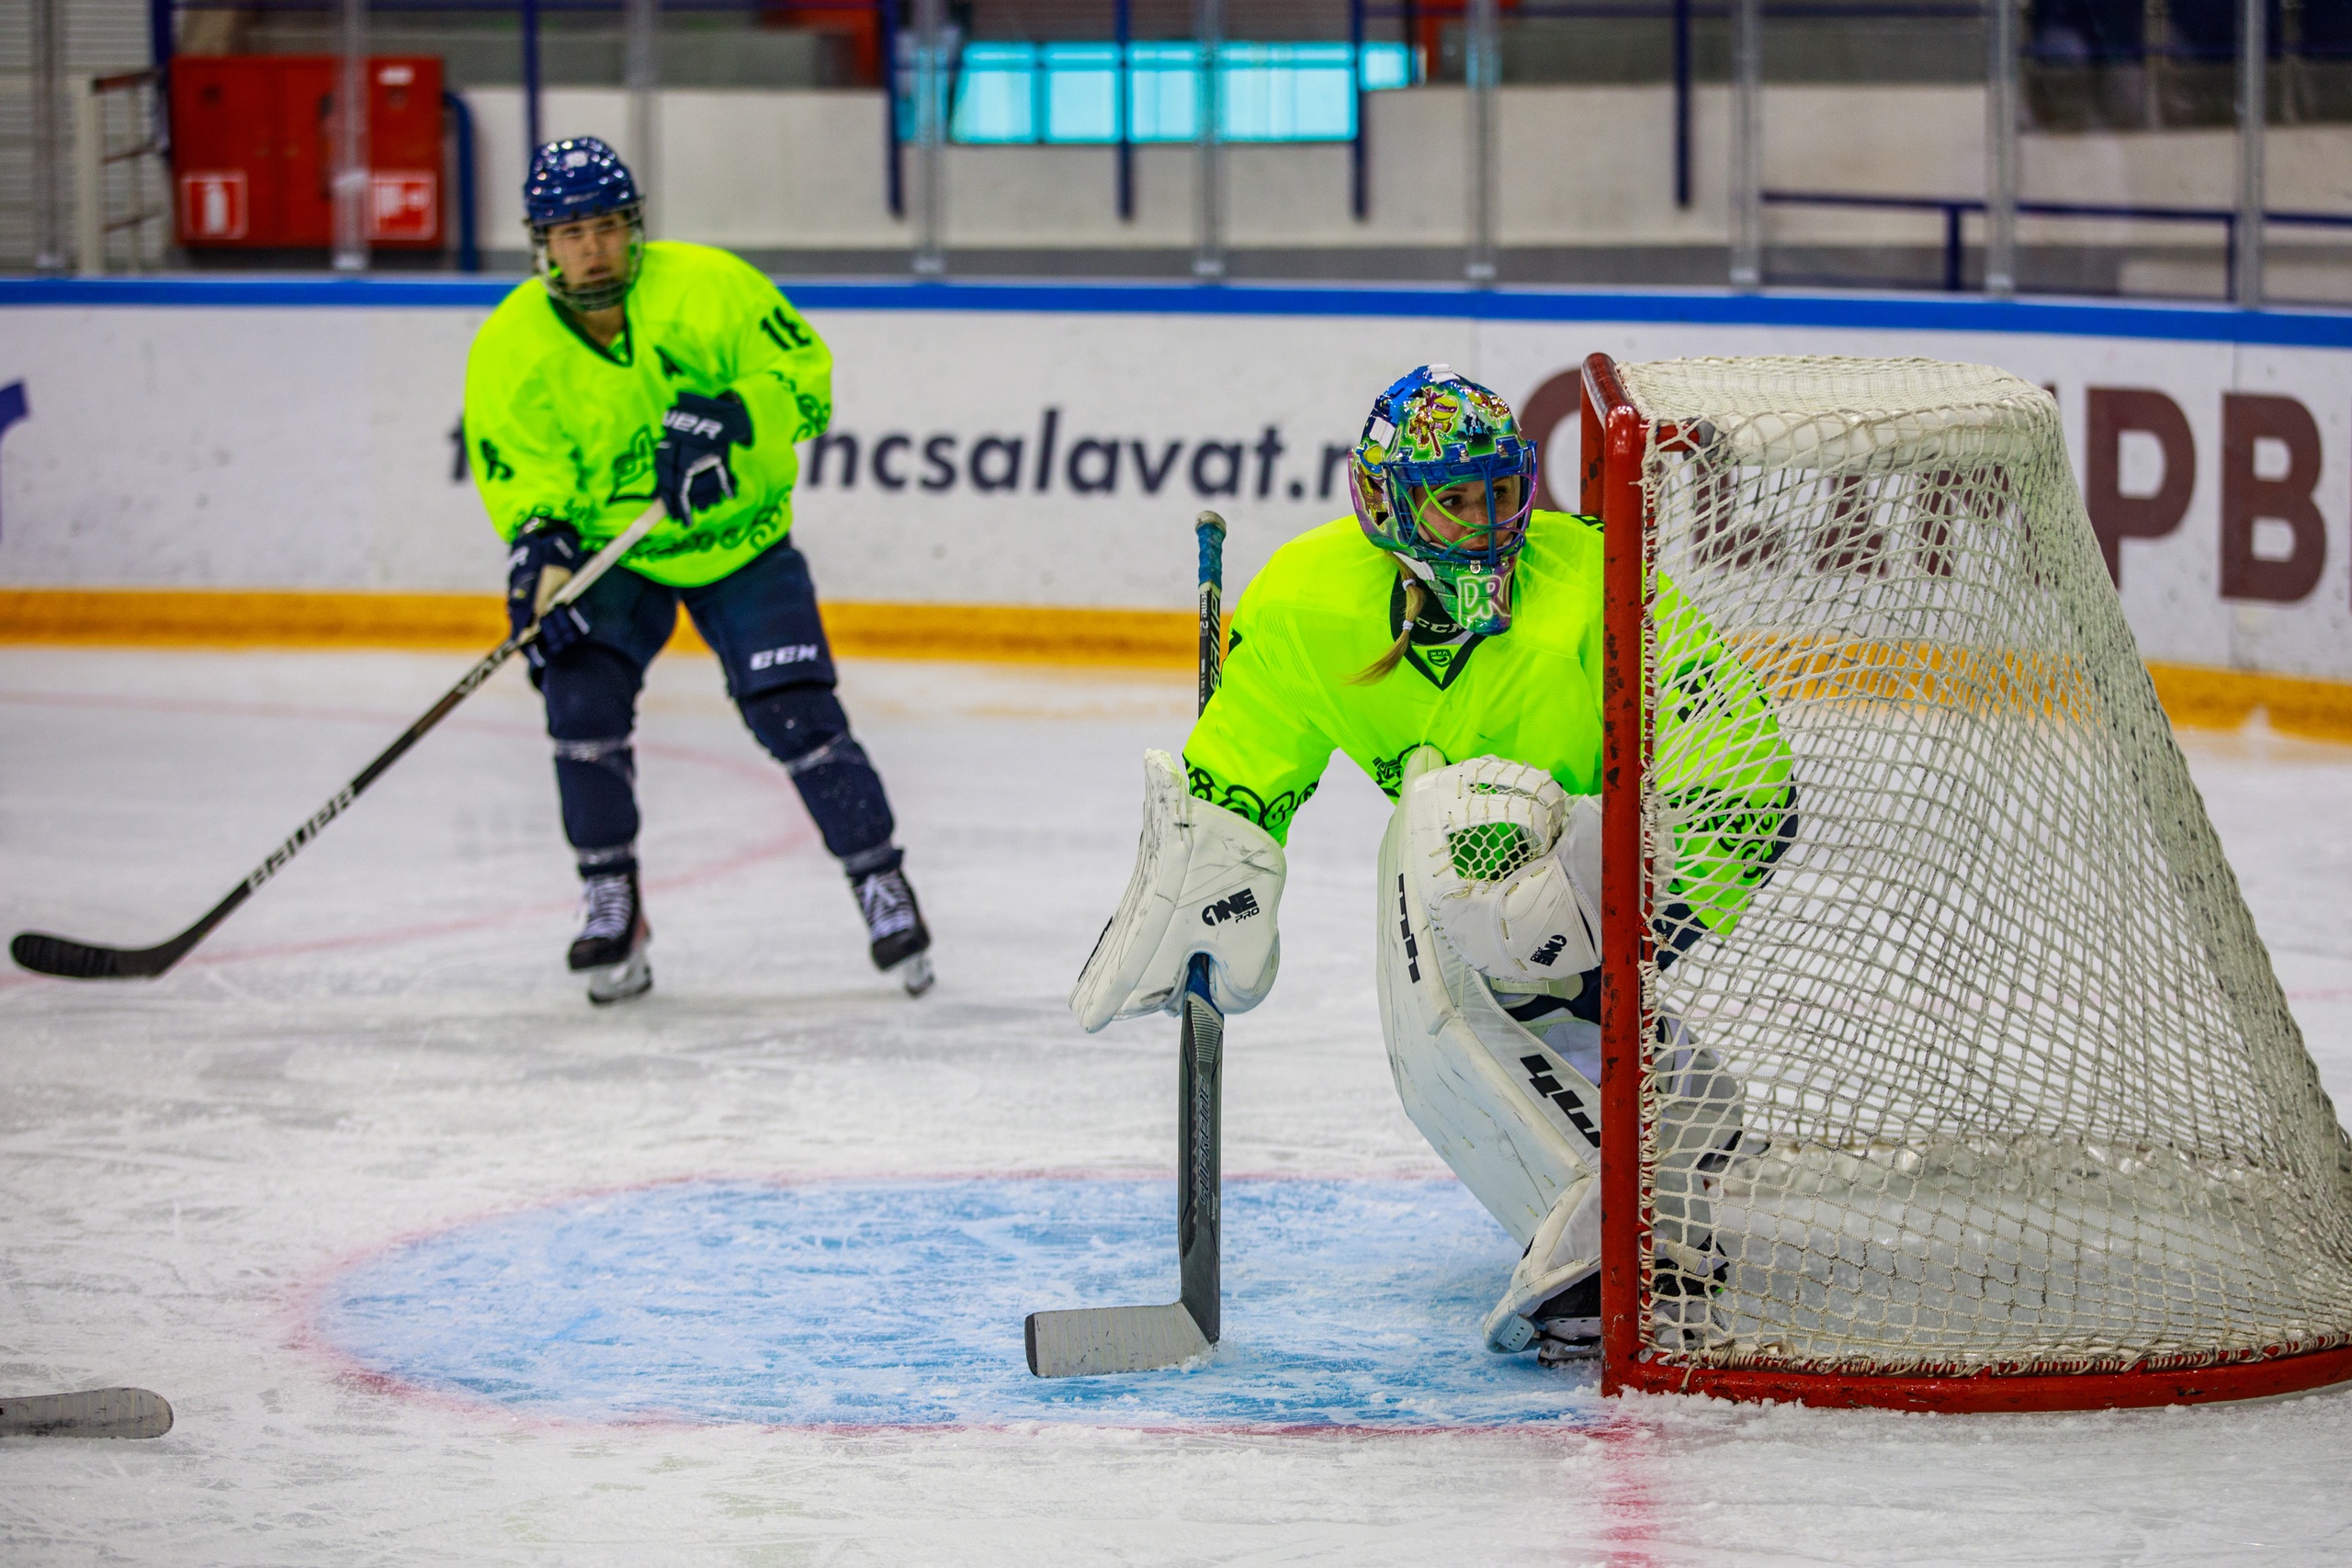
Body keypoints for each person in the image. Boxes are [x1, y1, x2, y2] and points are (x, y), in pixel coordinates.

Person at [1069, 366, 1795, 1359]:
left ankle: (1610, 1223)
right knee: (1439, 839)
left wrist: (1638, 912)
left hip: (1607, 859)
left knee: (1445, 823)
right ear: (1382, 502)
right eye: (1454, 499)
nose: (1487, 520)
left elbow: (1746, 773)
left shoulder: (1591, 578)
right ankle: (1663, 1119)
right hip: (1486, 882)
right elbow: (1239, 776)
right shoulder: (1310, 602)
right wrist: (1211, 874)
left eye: (1502, 492)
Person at [463, 137, 932, 1005]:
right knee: (576, 696)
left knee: (796, 713)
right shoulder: (509, 346)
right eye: (570, 233)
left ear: (633, 228)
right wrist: (538, 550)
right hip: (622, 556)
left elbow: (806, 378)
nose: (592, 248)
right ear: (541, 244)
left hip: (741, 542)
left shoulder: (710, 286)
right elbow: (526, 477)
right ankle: (611, 897)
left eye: (606, 227)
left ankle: (878, 877)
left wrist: (732, 416)